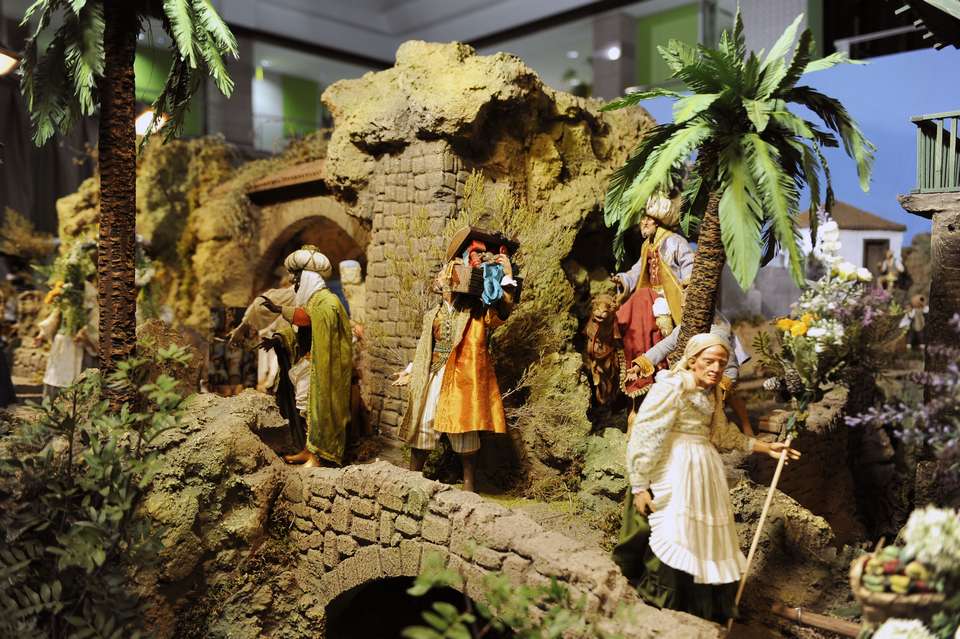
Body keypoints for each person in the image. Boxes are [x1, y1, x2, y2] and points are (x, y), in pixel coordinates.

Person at [613, 333, 799, 621]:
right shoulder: (671, 387)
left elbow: (721, 434)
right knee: (675, 531)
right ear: (693, 360)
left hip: (703, 470)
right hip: (672, 466)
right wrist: (639, 485)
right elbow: (646, 433)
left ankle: (697, 606)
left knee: (702, 538)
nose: (715, 368)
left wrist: (765, 447)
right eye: (709, 361)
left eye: (721, 363)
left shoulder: (712, 393)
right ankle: (661, 600)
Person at [393, 235, 517, 493]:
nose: (440, 277)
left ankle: (469, 486)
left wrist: (507, 278)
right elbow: (425, 348)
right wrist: (411, 371)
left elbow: (502, 313)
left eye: (445, 273)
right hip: (435, 373)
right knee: (423, 424)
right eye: (441, 274)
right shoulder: (433, 315)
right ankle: (414, 481)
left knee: (463, 431)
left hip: (462, 379)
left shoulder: (475, 312)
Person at [260, 246, 352, 468]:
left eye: (298, 279)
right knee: (305, 407)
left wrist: (280, 309)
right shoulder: (314, 302)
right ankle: (308, 449)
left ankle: (318, 455)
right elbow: (303, 329)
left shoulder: (327, 302)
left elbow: (307, 320)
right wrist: (279, 339)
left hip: (322, 366)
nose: (295, 284)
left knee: (316, 409)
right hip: (309, 363)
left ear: (309, 279)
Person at [611, 191, 694, 402]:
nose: (644, 222)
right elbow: (637, 271)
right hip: (651, 296)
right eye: (643, 219)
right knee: (633, 309)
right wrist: (623, 279)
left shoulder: (675, 241)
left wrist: (688, 283)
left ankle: (665, 363)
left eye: (648, 219)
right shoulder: (646, 245)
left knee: (667, 326)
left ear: (658, 222)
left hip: (671, 297)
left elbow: (689, 263)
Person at [625, 311, 754, 435]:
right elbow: (662, 347)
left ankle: (746, 427)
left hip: (716, 381)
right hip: (691, 377)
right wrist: (640, 365)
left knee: (728, 402)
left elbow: (730, 367)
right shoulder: (684, 329)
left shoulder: (717, 338)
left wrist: (722, 387)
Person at [36, 243, 98, 400]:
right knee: (56, 374)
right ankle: (53, 406)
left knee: (78, 376)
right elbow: (56, 314)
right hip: (62, 340)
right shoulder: (63, 290)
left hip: (79, 342)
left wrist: (86, 333)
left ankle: (75, 406)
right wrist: (43, 333)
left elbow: (94, 316)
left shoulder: (89, 292)